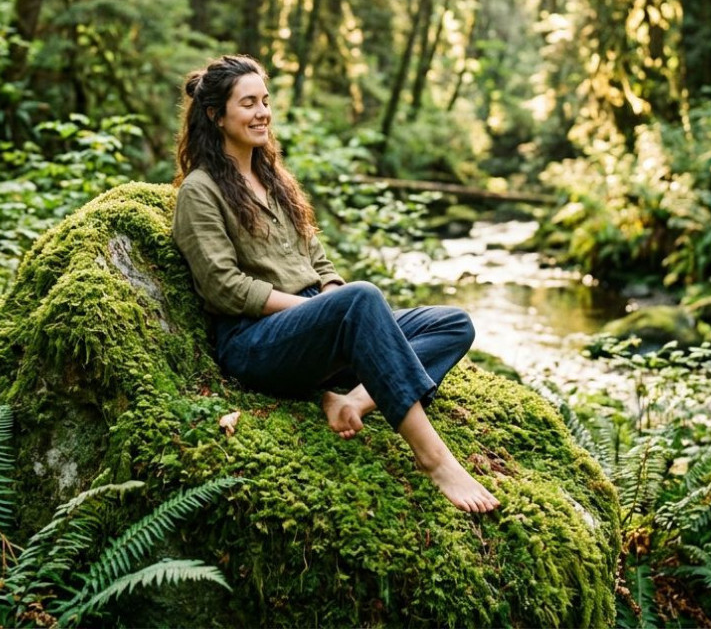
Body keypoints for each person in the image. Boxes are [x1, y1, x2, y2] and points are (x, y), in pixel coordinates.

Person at [170, 54, 500, 513]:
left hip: (314, 326)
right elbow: (222, 287)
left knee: (453, 323)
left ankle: (354, 401)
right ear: (215, 115)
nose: (262, 112)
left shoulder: (273, 179)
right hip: (255, 342)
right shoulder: (201, 191)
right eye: (248, 104)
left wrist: (328, 295)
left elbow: (317, 257)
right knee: (361, 299)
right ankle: (436, 461)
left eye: (265, 101)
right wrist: (318, 310)